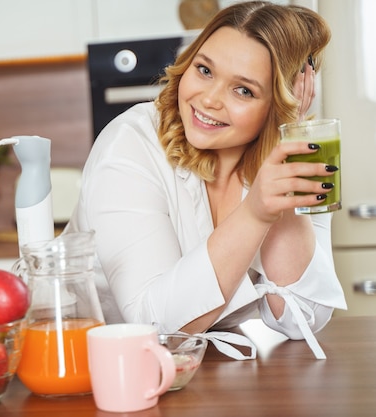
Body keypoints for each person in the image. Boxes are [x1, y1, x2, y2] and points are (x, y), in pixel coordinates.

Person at [66, 1, 346, 358]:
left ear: (278, 104)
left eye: (243, 90)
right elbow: (153, 327)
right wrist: (255, 214)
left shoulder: (293, 155)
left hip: (196, 371)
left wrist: (285, 150)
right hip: (96, 366)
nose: (209, 99)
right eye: (204, 70)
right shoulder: (129, 144)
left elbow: (299, 319)